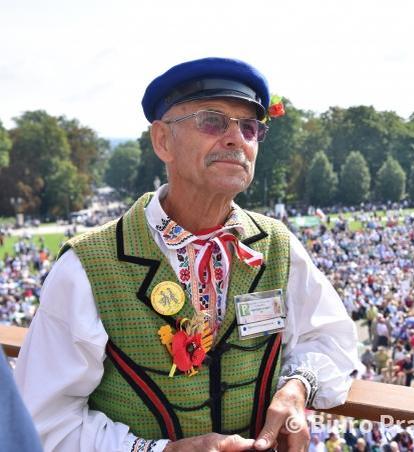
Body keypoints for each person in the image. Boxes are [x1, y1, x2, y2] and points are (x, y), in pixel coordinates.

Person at [15, 57, 359, 452]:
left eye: (250, 128)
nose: (236, 139)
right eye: (213, 121)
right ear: (162, 141)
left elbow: (332, 340)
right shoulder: (88, 265)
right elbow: (42, 422)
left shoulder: (277, 245)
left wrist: (298, 386)